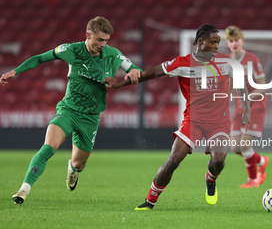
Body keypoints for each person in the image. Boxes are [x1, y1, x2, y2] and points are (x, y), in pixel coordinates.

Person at [104, 24, 251, 210]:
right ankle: (150, 201)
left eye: (218, 42)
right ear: (199, 42)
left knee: (219, 160)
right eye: (213, 42)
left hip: (218, 120)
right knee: (174, 159)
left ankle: (210, 178)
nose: (216, 46)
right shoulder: (182, 63)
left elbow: (241, 84)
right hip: (193, 119)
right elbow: (151, 73)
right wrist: (119, 84)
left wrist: (246, 109)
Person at [0, 16, 141, 205]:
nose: (103, 44)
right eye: (100, 39)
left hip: (90, 117)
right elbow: (41, 58)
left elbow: (134, 68)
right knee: (48, 147)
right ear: (88, 35)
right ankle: (23, 190)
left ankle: (73, 170)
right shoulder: (71, 50)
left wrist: (134, 70)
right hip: (68, 110)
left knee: (79, 163)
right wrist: (15, 71)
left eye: (106, 40)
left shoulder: (113, 54)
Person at [224, 25, 269, 188]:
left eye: (236, 40)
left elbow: (263, 86)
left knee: (244, 145)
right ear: (227, 43)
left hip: (256, 104)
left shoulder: (252, 59)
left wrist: (248, 98)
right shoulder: (227, 62)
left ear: (242, 41)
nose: (234, 43)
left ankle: (252, 180)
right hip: (239, 106)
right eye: (231, 41)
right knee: (235, 147)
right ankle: (262, 161)